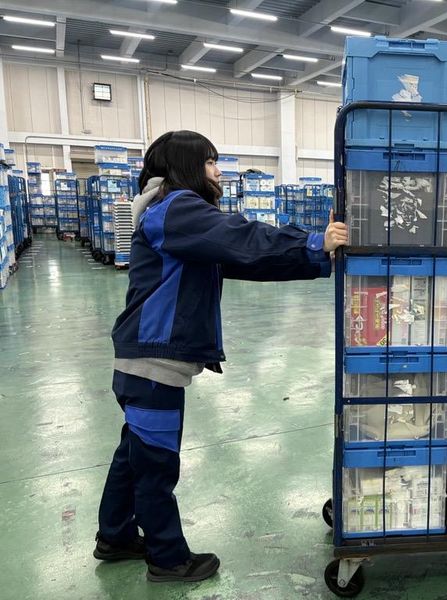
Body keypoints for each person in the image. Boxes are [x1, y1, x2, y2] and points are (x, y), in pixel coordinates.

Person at [93, 130, 348, 583]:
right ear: (186, 166)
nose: (218, 171)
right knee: (155, 465)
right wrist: (313, 241)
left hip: (143, 359)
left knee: (134, 454)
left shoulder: (172, 214)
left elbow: (245, 259)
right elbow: (240, 236)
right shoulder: (176, 208)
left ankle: (114, 537)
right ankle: (168, 559)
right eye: (210, 162)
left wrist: (316, 257)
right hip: (152, 363)